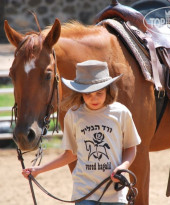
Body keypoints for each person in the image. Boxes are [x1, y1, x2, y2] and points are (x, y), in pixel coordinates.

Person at [22, 60, 141, 205]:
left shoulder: (121, 113)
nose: (94, 98)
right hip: (84, 191)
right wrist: (39, 169)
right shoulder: (73, 115)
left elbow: (131, 147)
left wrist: (123, 168)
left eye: (99, 93)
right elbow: (70, 154)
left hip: (114, 193)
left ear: (108, 90)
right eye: (88, 94)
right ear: (80, 92)